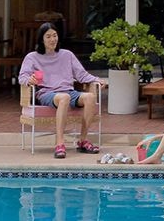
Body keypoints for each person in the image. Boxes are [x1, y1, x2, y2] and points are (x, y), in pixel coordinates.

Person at [19, 22, 102, 159]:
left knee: (90, 97)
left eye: (55, 35)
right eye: (48, 36)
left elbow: (81, 75)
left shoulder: (67, 55)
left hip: (68, 91)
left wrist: (97, 79)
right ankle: (60, 143)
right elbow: (22, 76)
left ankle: (82, 140)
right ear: (41, 39)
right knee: (64, 98)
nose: (53, 39)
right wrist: (30, 80)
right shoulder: (32, 57)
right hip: (47, 93)